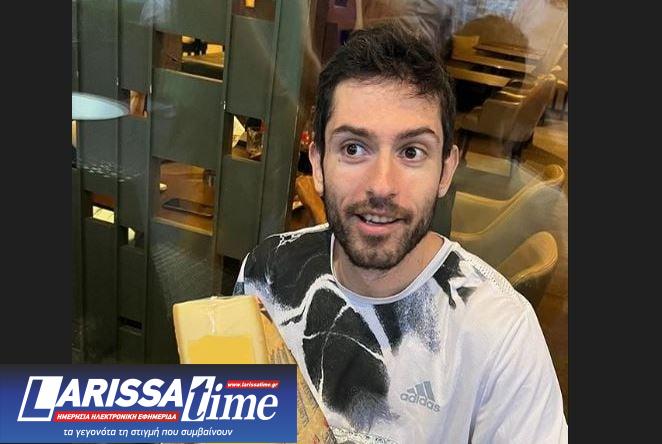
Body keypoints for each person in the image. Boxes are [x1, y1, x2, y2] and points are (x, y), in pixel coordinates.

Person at [234, 23, 567, 443]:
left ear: (445, 171)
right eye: (353, 148)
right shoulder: (267, 274)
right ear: (317, 164)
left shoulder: (499, 334)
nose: (381, 186)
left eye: (411, 152)